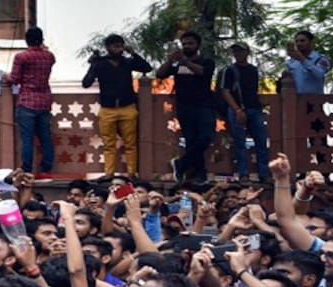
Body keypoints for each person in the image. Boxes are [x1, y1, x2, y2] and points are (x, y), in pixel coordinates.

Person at [82, 34, 153, 178]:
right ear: (108, 48)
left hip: (127, 107)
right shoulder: (101, 64)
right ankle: (109, 173)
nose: (119, 49)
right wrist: (92, 64)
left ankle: (132, 173)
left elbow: (147, 67)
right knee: (109, 143)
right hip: (108, 109)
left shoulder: (127, 62)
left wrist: (133, 52)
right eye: (116, 46)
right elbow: (86, 83)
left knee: (130, 143)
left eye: (121, 46)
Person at [156, 31, 216, 183]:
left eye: (190, 43)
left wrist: (186, 62)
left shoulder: (206, 61)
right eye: (184, 44)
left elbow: (203, 73)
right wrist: (170, 61)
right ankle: (199, 175)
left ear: (198, 45)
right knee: (191, 141)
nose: (187, 46)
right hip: (184, 106)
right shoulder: (177, 64)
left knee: (206, 137)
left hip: (204, 106)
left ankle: (180, 163)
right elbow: (160, 74)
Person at [4, 27, 56, 178]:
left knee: (27, 139)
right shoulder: (49, 56)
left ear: (26, 40)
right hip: (44, 101)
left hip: (27, 101)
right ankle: (46, 169)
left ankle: (27, 170)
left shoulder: (22, 57)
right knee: (45, 137)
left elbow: (14, 79)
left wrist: (5, 76)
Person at [219, 42, 269, 181]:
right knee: (239, 142)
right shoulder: (229, 70)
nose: (238, 54)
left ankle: (264, 173)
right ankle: (243, 173)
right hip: (237, 108)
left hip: (254, 108)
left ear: (247, 53)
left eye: (240, 51)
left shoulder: (253, 70)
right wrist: (237, 109)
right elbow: (225, 91)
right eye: (235, 52)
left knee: (261, 141)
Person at [285, 30, 330, 94]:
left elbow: (319, 74)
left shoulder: (320, 59)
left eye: (302, 41)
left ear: (311, 43)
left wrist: (302, 60)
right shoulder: (292, 61)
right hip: (295, 101)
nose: (299, 44)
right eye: (296, 41)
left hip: (314, 101)